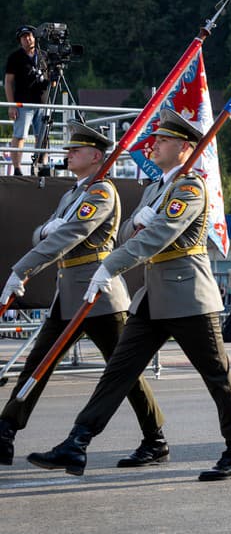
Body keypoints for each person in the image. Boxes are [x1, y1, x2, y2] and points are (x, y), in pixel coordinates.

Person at [27, 109, 231, 480]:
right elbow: (128, 229)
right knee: (118, 371)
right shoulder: (155, 189)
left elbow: (156, 236)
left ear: (184, 147)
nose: (155, 144)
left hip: (188, 297)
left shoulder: (190, 187)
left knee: (217, 377)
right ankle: (78, 442)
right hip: (153, 297)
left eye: (163, 140)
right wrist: (139, 220)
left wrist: (109, 266)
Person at [0, 121, 164, 468]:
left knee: (123, 373)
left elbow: (68, 236)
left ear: (95, 156)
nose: (68, 154)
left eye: (76, 150)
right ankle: (6, 432)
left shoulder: (101, 193)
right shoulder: (71, 194)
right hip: (69, 294)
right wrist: (44, 228)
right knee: (37, 366)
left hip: (100, 296)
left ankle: (155, 438)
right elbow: (42, 234)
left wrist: (22, 269)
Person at [4, 25, 49, 175]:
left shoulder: (44, 55)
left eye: (30, 35)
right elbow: (8, 82)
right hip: (23, 103)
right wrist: (11, 105)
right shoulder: (15, 57)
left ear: (35, 37)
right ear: (20, 41)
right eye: (24, 37)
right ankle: (17, 169)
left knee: (42, 136)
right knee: (20, 135)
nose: (28, 39)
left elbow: (52, 80)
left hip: (42, 102)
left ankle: (40, 166)